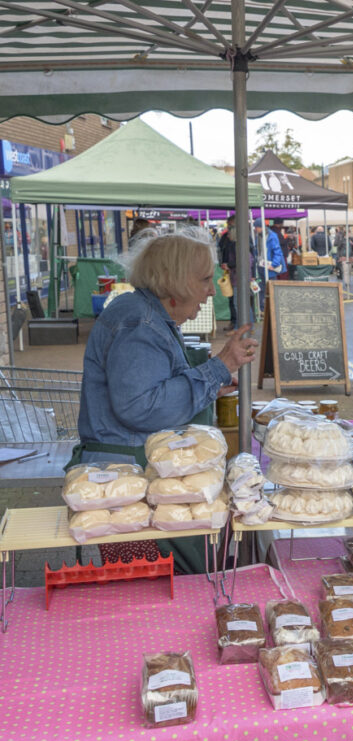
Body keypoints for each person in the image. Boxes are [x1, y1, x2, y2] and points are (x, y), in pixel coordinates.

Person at [74, 227, 258, 572]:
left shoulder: (144, 314)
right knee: (156, 583)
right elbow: (140, 407)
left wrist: (208, 386)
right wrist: (220, 366)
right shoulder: (140, 323)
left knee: (166, 580)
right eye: (204, 280)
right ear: (176, 282)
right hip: (130, 479)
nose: (210, 291)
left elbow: (153, 386)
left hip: (137, 473)